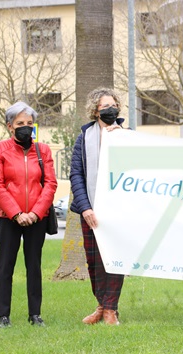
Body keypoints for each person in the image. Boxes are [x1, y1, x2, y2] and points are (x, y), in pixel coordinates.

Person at [0, 101, 57, 327]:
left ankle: (35, 314)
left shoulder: (43, 150)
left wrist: (36, 213)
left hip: (37, 218)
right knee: (5, 265)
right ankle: (3, 315)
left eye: (29, 123)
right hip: (8, 218)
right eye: (20, 123)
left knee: (34, 266)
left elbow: (50, 184)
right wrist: (17, 213)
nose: (26, 127)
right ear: (10, 126)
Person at [70, 87, 126, 326]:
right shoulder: (84, 138)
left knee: (114, 260)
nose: (110, 109)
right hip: (91, 210)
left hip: (119, 212)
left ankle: (111, 308)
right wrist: (85, 207)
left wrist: (120, 139)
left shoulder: (127, 136)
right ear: (95, 110)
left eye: (113, 104)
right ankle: (101, 305)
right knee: (94, 261)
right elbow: (76, 174)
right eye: (104, 106)